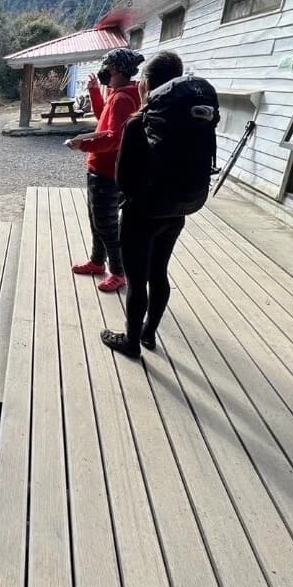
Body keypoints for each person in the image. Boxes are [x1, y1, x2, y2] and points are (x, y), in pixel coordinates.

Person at [100, 50, 216, 358]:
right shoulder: (192, 119)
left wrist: (133, 197)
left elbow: (123, 179)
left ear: (147, 84)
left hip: (142, 214)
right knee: (159, 273)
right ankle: (149, 333)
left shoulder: (139, 123)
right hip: (177, 210)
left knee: (137, 282)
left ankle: (131, 342)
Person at [66, 48, 145, 292]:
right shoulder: (120, 94)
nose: (103, 71)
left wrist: (83, 145)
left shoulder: (123, 98)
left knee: (106, 224)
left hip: (108, 172)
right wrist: (94, 92)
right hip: (103, 169)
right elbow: (104, 119)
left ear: (119, 70)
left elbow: (114, 138)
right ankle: (97, 262)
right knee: (97, 220)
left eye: (107, 67)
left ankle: (118, 273)